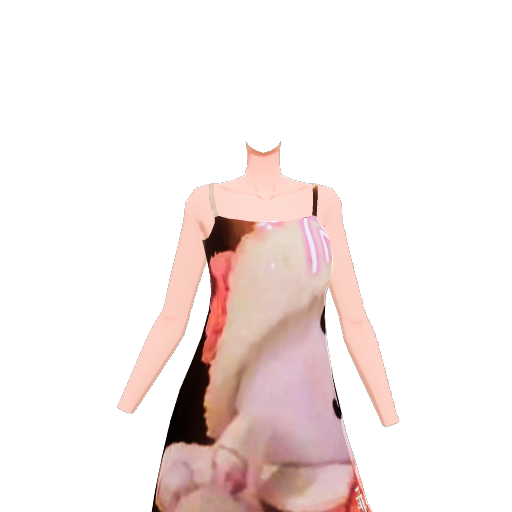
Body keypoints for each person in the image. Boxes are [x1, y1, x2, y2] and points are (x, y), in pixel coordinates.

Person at [119, 140, 399, 511]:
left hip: (308, 421)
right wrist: (125, 410)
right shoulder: (205, 202)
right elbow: (172, 317)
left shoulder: (322, 203)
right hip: (221, 420)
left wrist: (390, 420)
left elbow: (355, 319)